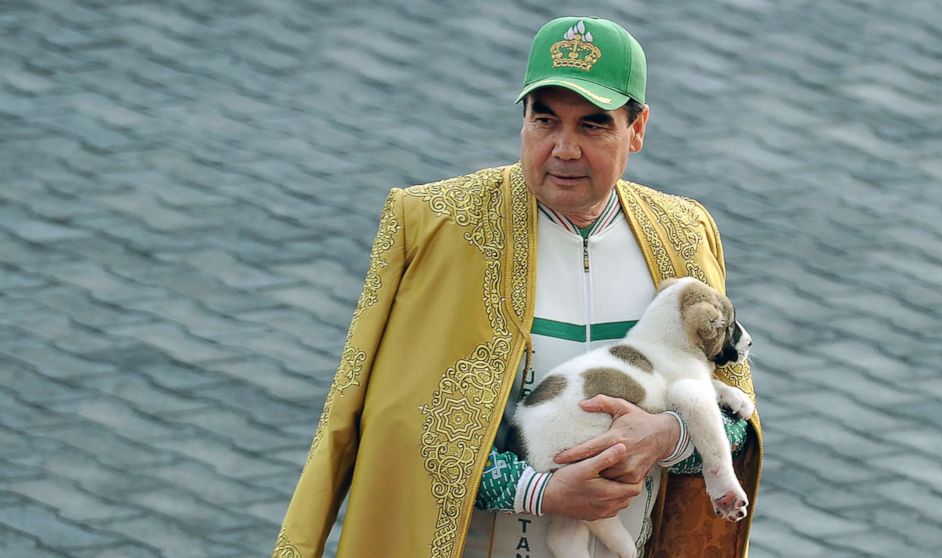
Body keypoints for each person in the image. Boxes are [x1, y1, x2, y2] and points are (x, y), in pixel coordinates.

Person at [273, 16, 761, 558]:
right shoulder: (432, 225)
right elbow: (398, 435)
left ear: (638, 128)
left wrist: (667, 438)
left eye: (593, 125)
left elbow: (737, 425)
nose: (564, 148)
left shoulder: (685, 233)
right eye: (545, 119)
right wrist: (543, 492)